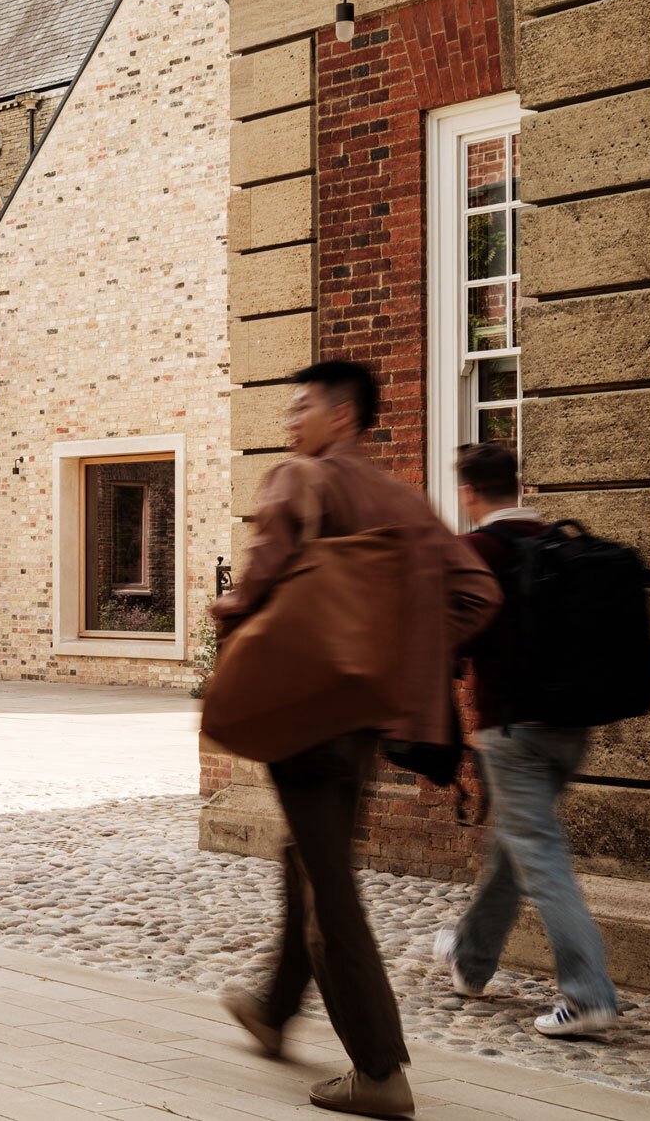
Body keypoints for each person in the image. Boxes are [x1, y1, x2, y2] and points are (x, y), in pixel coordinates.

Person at [212, 361, 499, 1119]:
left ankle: (378, 1068)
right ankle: (273, 1013)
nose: (289, 422)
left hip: (303, 715)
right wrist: (404, 657)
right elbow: (478, 591)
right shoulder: (405, 501)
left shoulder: (298, 481)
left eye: (301, 407)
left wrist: (231, 624)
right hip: (365, 720)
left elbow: (257, 584)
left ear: (342, 417)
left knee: (331, 891)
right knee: (311, 855)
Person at [434, 442, 620, 1037]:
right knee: (516, 847)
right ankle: (470, 958)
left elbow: (449, 636)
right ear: (517, 486)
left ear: (468, 493)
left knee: (538, 856)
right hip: (571, 727)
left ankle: (589, 994)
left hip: (511, 732)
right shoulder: (557, 543)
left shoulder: (476, 551)